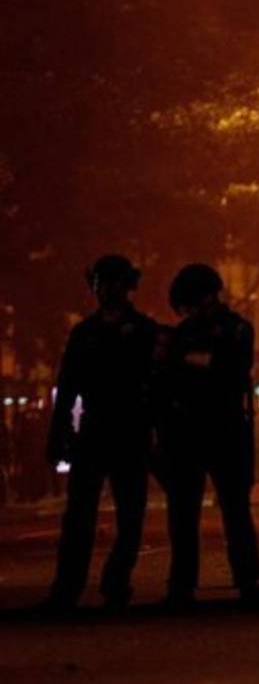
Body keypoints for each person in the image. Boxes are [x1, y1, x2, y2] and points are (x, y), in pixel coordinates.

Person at [44, 255, 158, 612]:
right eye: (101, 283)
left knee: (130, 516)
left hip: (131, 431)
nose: (107, 290)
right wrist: (59, 433)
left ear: (128, 286)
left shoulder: (144, 331)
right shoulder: (84, 334)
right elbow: (68, 387)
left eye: (114, 282)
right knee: (78, 517)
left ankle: (115, 581)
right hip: (93, 432)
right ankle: (68, 587)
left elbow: (157, 386)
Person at [160, 263, 259, 609]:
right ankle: (182, 583)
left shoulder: (236, 329)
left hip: (225, 427)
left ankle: (247, 580)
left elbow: (230, 367)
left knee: (234, 509)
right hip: (188, 431)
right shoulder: (184, 333)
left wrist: (187, 359)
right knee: (183, 512)